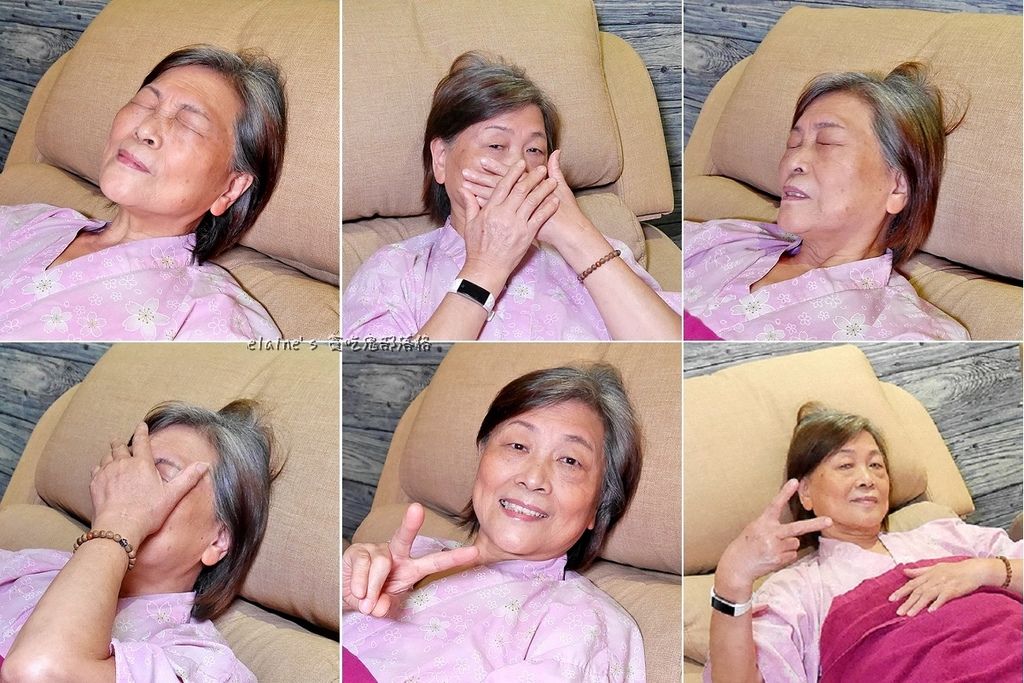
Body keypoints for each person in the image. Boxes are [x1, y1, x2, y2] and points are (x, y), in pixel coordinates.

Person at [343, 51, 681, 341]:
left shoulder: (600, 251)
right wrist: (485, 268)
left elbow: (674, 352)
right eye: (495, 145)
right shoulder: (396, 271)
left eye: (534, 150)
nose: (519, 166)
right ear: (441, 159)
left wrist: (578, 239)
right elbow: (392, 378)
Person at [342, 364, 647, 680]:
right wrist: (345, 593)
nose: (533, 478)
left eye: (569, 461)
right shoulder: (413, 553)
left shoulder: (583, 625)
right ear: (482, 457)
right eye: (518, 446)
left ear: (598, 506)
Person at [706, 403, 1022, 683]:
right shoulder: (796, 590)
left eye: (876, 466)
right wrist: (732, 579)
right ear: (805, 493)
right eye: (845, 465)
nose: (867, 479)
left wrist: (984, 571)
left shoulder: (945, 536)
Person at [0, 45, 286, 341]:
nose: (145, 129)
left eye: (188, 123)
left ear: (230, 189)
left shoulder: (210, 316)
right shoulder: (29, 221)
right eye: (145, 103)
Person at [684, 62, 969, 341]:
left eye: (827, 143)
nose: (793, 161)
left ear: (897, 188)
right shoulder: (724, 239)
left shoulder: (903, 331)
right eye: (793, 144)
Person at [0, 400, 275, 681]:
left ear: (217, 541)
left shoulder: (202, 665)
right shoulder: (34, 566)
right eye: (130, 469)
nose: (128, 488)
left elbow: (37, 670)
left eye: (159, 475)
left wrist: (118, 521)